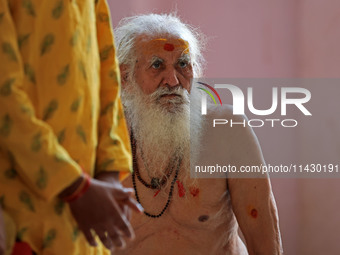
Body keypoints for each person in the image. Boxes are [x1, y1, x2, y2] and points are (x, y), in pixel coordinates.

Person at [114, 13, 283, 255]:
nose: (173, 81)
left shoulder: (227, 130)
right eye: (157, 65)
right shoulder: (104, 140)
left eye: (182, 64)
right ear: (125, 77)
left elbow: (265, 240)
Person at [0, 0, 143, 254]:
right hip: (24, 213)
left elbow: (108, 80)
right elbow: (5, 99)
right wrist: (75, 186)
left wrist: (107, 176)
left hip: (86, 219)